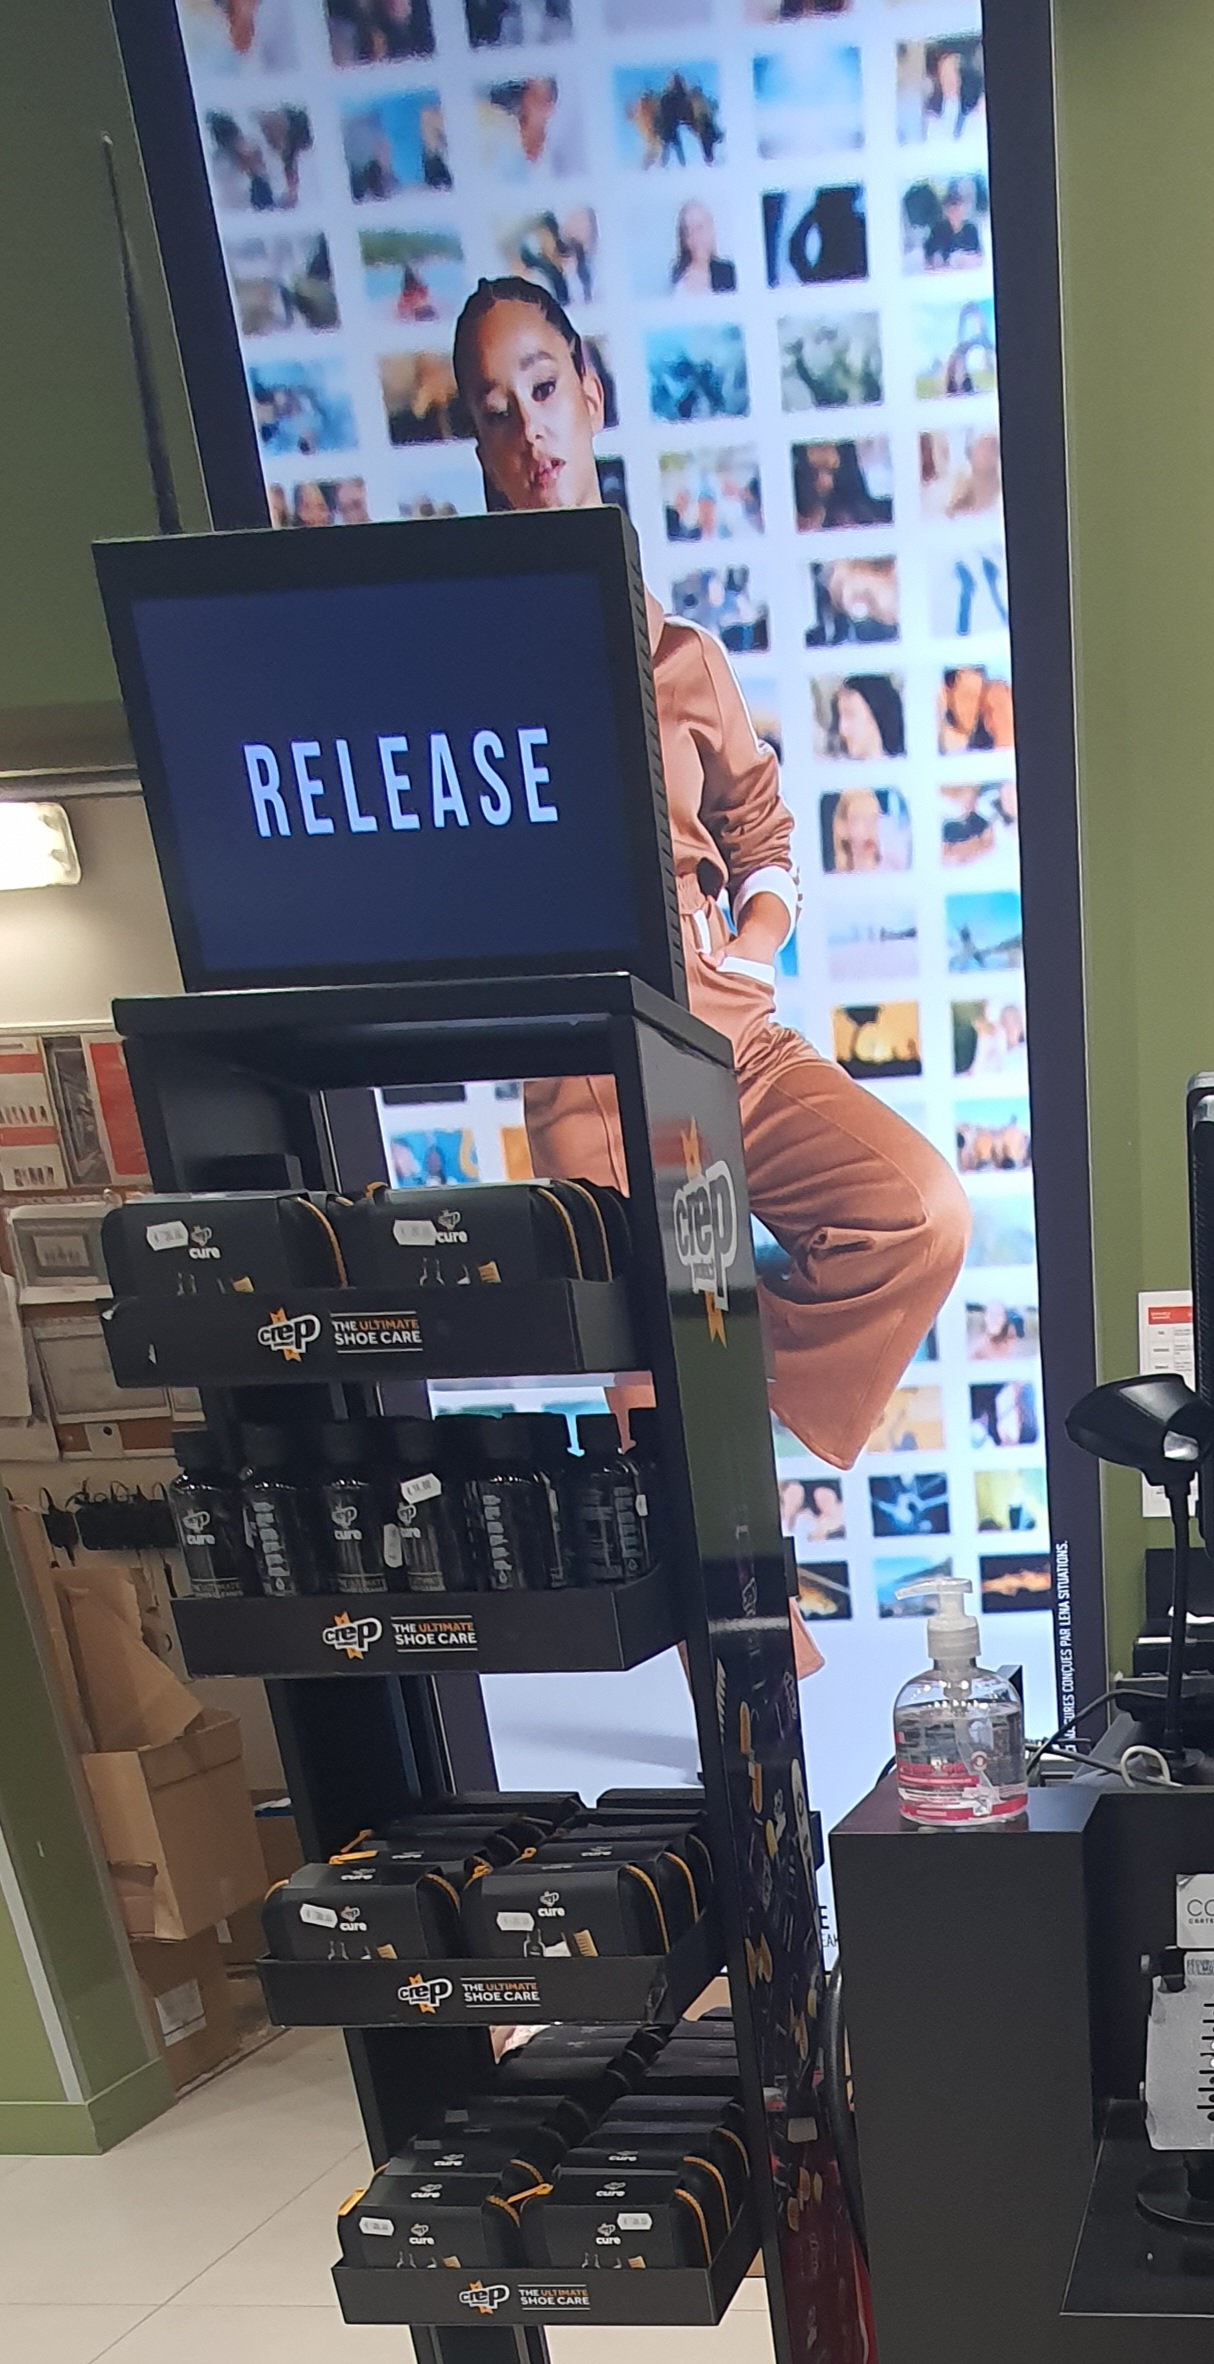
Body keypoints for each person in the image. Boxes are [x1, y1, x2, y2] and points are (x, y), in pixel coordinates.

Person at [450, 275, 964, 1489]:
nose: (528, 429)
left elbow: (760, 824)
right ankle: (687, 1360)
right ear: (476, 443)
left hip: (730, 1045)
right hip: (590, 1077)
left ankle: (711, 1347)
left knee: (919, 1214)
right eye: (494, 410)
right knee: (679, 1480)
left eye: (542, 388)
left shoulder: (685, 657)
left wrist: (755, 938)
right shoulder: (465, 661)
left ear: (590, 392)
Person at [670, 198, 736, 293]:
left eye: (699, 228)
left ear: (711, 230)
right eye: (688, 229)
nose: (695, 236)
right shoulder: (676, 273)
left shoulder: (727, 272)